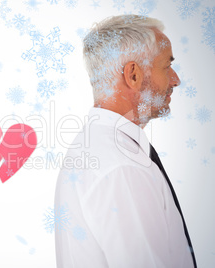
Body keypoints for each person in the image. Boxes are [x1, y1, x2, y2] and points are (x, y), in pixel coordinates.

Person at [55, 15, 196, 267]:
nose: (175, 79)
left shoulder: (97, 147)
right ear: (133, 75)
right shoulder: (122, 167)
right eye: (166, 66)